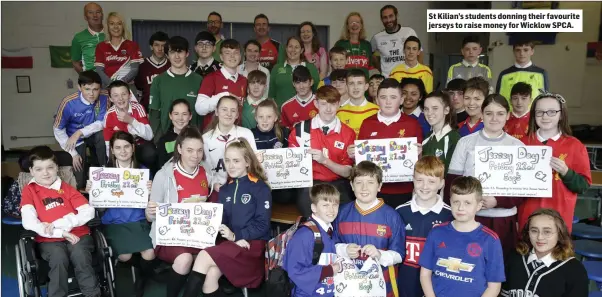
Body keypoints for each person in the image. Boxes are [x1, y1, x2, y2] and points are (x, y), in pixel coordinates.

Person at [180, 138, 272, 297]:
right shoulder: (225, 190)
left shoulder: (260, 187)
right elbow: (222, 223)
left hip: (252, 248)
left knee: (203, 256)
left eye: (236, 161)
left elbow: (262, 225)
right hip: (232, 244)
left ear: (248, 162)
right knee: (210, 279)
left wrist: (237, 236)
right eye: (227, 161)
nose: (231, 165)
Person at [448, 94, 524, 255]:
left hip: (504, 219)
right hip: (470, 218)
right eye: (489, 113)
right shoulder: (466, 142)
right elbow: (452, 183)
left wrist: (497, 201)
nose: (494, 118)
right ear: (482, 115)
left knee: (500, 266)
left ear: (508, 115)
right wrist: (470, 202)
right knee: (468, 263)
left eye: (500, 113)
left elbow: (523, 189)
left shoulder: (517, 146)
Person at [20, 146, 100, 297]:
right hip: (49, 239)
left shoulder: (67, 188)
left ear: (57, 168)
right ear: (31, 171)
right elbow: (29, 222)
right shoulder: (29, 191)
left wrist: (60, 224)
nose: (45, 173)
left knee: (80, 255)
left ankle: (92, 294)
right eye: (39, 169)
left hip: (78, 234)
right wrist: (60, 232)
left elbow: (88, 211)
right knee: (58, 257)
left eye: (50, 167)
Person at [85, 131, 158, 297]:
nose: (123, 151)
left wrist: (151, 191)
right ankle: (141, 267)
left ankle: (141, 280)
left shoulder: (143, 172)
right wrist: (92, 191)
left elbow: (153, 202)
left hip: (139, 220)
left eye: (126, 146)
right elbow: (96, 205)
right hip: (114, 222)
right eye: (118, 147)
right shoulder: (102, 173)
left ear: (133, 148)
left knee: (150, 253)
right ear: (112, 150)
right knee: (125, 256)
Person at [145, 126, 210, 297]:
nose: (195, 156)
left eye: (199, 151)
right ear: (179, 149)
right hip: (170, 235)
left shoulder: (206, 172)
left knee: (213, 257)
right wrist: (151, 211)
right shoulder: (164, 175)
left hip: (197, 233)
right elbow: (150, 217)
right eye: (189, 150)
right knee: (185, 259)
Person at [518, 91, 591, 233]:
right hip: (527, 216)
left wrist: (566, 172)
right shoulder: (522, 143)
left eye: (552, 112)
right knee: (526, 251)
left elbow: (583, 185)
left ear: (561, 114)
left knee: (557, 252)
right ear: (534, 115)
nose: (545, 117)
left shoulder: (575, 145)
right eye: (540, 112)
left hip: (559, 217)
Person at [419, 176, 504, 297]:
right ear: (450, 201)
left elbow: (494, 286)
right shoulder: (436, 233)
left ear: (479, 205)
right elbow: (424, 274)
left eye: (467, 203)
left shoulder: (490, 239)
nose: (460, 208)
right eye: (456, 202)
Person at [333, 161, 405, 297]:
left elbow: (399, 255)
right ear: (351, 186)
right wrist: (344, 249)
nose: (364, 188)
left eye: (370, 182)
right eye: (359, 182)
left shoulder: (392, 217)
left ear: (379, 186)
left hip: (381, 285)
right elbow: (332, 246)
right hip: (348, 286)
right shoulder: (341, 213)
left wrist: (379, 254)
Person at [289, 86, 355, 217]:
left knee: (345, 218)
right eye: (324, 104)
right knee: (312, 218)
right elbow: (292, 167)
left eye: (333, 104)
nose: (328, 109)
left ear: (339, 104)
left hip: (337, 184)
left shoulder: (348, 133)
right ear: (316, 103)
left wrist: (324, 161)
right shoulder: (301, 130)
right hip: (309, 185)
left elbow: (347, 172)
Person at [356, 78, 423, 208]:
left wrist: (418, 154)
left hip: (404, 190)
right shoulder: (367, 123)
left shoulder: (412, 124)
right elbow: (361, 162)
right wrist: (354, 155)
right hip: (373, 190)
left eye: (393, 97)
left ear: (401, 100)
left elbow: (419, 162)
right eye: (383, 97)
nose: (387, 102)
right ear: (376, 99)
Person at [396, 156, 453, 297]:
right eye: (419, 180)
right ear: (413, 180)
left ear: (441, 184)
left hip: (438, 287)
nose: (425, 186)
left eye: (431, 181)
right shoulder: (399, 212)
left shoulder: (451, 215)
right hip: (405, 285)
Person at [502, 208, 588, 297]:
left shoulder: (575, 270)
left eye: (547, 232)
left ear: (559, 234)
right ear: (528, 233)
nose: (540, 237)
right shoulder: (515, 258)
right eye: (534, 231)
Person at [53, 70, 108, 190]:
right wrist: (73, 154)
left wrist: (80, 132)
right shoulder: (69, 102)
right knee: (79, 179)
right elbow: (58, 129)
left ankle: (104, 169)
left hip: (92, 134)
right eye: (87, 89)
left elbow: (102, 122)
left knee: (103, 135)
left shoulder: (104, 97)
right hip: (73, 139)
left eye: (96, 89)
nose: (92, 94)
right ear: (79, 87)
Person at [283, 184, 341, 297]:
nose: (331, 210)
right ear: (313, 207)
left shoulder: (330, 230)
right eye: (325, 205)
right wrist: (328, 271)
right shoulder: (304, 235)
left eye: (335, 205)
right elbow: (294, 270)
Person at [149, 36, 203, 140]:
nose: (176, 56)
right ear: (167, 55)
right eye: (172, 52)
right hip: (166, 140)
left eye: (180, 51)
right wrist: (159, 140)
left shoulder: (198, 80)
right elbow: (154, 114)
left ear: (187, 53)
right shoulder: (158, 81)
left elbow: (202, 115)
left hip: (194, 139)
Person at [203, 96, 257, 192]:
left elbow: (254, 164)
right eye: (224, 109)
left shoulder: (246, 134)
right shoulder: (205, 139)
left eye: (233, 110)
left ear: (237, 114)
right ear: (216, 111)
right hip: (218, 189)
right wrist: (214, 184)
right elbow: (204, 170)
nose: (228, 114)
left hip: (244, 188)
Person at [103, 80, 156, 174]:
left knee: (151, 153)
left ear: (130, 95)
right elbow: (108, 143)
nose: (120, 98)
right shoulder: (109, 115)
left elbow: (149, 135)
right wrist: (111, 160)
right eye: (116, 95)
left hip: (138, 145)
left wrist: (131, 120)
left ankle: (150, 179)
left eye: (124, 94)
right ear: (110, 99)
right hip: (122, 149)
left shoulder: (138, 108)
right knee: (110, 164)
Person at [196, 39, 247, 130]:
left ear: (240, 56)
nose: (232, 56)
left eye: (235, 52)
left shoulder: (244, 81)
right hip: (213, 136)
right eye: (227, 53)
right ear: (221, 57)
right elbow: (200, 108)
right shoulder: (210, 78)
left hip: (235, 135)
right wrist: (224, 95)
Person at [94, 12, 143, 90]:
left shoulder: (132, 45)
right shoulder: (101, 46)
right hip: (107, 88)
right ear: (107, 26)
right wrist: (112, 84)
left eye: (119, 23)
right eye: (112, 23)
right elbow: (99, 70)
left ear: (123, 26)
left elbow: (134, 69)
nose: (116, 27)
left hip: (128, 88)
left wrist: (120, 84)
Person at [269, 36, 320, 108]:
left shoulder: (310, 68)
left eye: (296, 47)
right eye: (290, 46)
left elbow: (317, 92)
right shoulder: (277, 68)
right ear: (286, 49)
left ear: (302, 50)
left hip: (306, 113)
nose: (293, 50)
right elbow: (271, 95)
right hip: (281, 115)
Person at [372, 4, 421, 77]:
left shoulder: (409, 32)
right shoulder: (377, 38)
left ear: (396, 16)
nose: (388, 20)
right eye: (385, 17)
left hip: (408, 78)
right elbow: (371, 55)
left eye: (391, 16)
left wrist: (418, 70)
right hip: (388, 80)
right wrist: (381, 69)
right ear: (381, 19)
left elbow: (420, 52)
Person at [496, 40, 549, 106]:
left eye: (526, 50)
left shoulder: (541, 73)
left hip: (532, 115)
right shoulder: (504, 74)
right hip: (509, 115)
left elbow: (545, 99)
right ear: (514, 52)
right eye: (518, 50)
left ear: (532, 51)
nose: (522, 53)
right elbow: (498, 100)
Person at [421, 90, 460, 175]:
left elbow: (453, 174)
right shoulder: (426, 139)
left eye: (435, 108)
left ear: (446, 110)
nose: (429, 113)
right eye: (426, 109)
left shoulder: (454, 139)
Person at [336, 69, 379, 137]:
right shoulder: (339, 113)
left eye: (359, 83)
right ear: (347, 87)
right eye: (351, 83)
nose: (355, 87)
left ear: (366, 86)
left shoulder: (377, 111)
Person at [134, 31, 170, 111]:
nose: (160, 49)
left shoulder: (172, 65)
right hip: (147, 112)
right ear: (151, 47)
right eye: (156, 45)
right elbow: (139, 92)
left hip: (167, 111)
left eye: (163, 45)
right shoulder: (142, 66)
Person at [335, 12, 372, 79]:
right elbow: (335, 67)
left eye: (357, 22)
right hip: (345, 84)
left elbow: (370, 68)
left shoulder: (367, 45)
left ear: (361, 26)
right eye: (351, 22)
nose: (354, 25)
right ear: (347, 26)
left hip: (363, 85)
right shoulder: (340, 44)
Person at [156, 99, 192, 168]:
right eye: (176, 114)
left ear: (190, 116)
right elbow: (161, 167)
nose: (180, 118)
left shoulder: (197, 138)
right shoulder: (163, 141)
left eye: (184, 114)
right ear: (170, 116)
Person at [71, 2, 104, 73]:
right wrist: (86, 78)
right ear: (85, 17)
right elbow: (75, 63)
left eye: (98, 12)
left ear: (102, 15)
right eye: (90, 12)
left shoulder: (112, 34)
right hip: (92, 81)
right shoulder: (78, 38)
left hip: (112, 81)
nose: (95, 16)